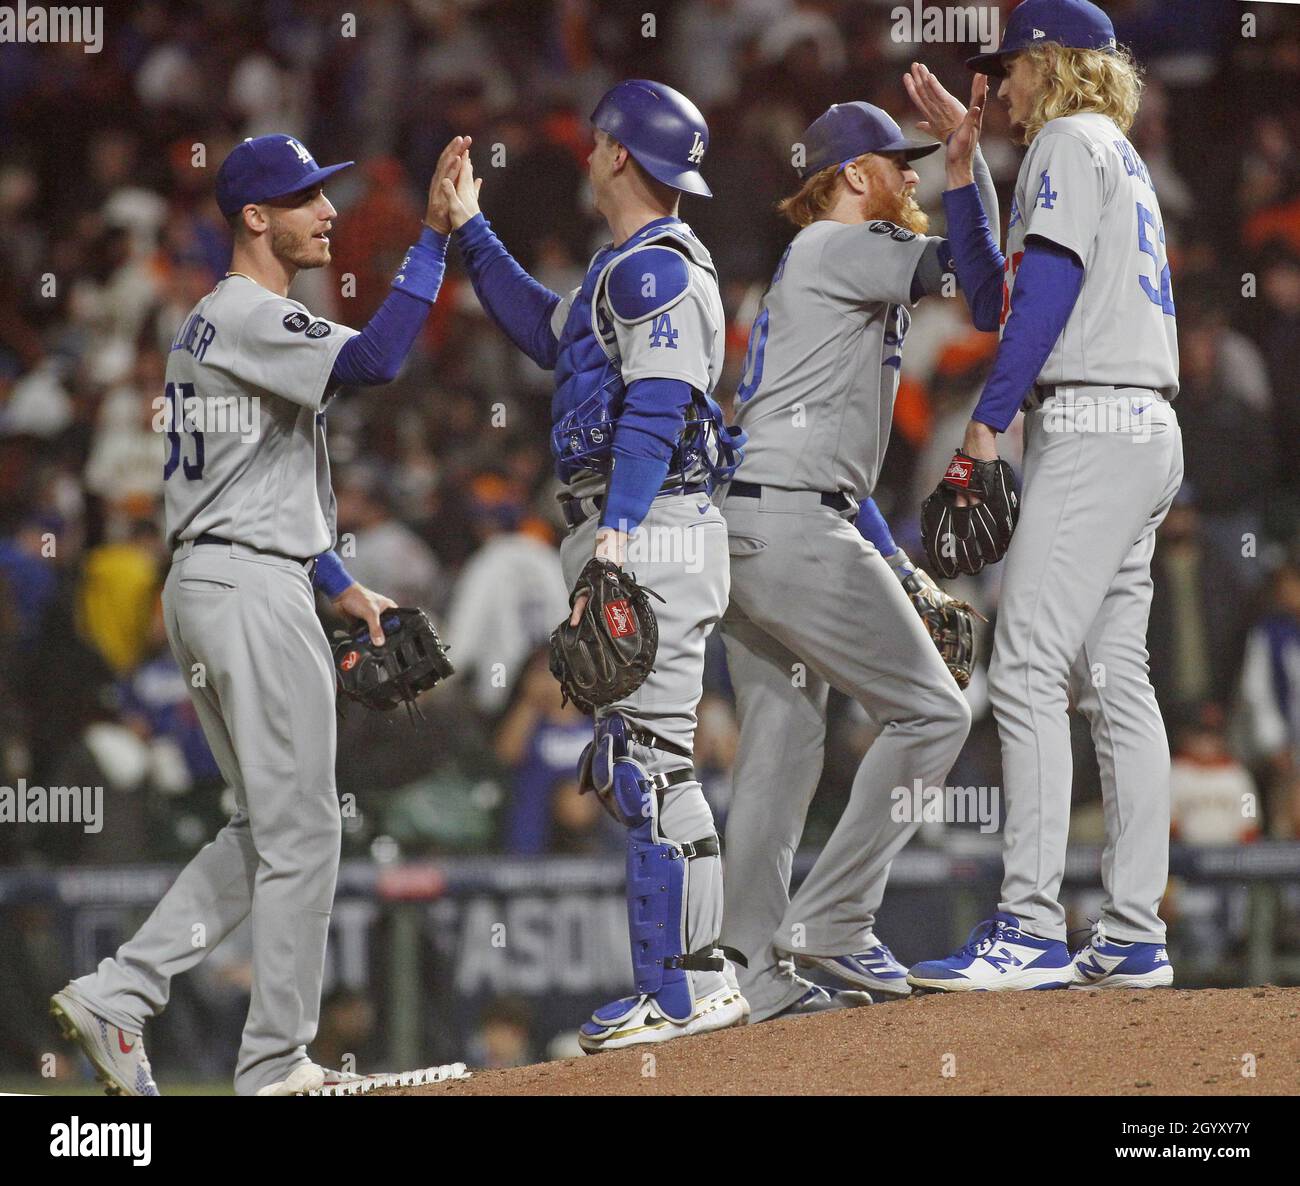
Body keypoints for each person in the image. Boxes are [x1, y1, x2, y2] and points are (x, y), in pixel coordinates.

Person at [51, 133, 466, 1095]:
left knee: (270, 830)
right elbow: (375, 362)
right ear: (255, 217)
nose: (328, 211)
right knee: (308, 832)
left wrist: (339, 584)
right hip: (243, 585)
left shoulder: (218, 321)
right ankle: (274, 1064)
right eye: (307, 199)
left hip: (225, 574)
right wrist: (434, 241)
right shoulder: (245, 312)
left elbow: (260, 480)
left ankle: (122, 993)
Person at [439, 80, 749, 1051]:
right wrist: (469, 232)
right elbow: (548, 332)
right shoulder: (625, 268)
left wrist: (614, 537)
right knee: (653, 763)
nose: (586, 156)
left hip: (645, 521)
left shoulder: (654, 270)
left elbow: (656, 409)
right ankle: (700, 977)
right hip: (639, 521)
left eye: (595, 144)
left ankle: (677, 991)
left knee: (646, 766)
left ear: (618, 154)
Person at [906, 0, 1182, 993]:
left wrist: (989, 418)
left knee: (1024, 662)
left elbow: (1050, 287)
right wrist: (960, 167)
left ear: (1051, 62)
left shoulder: (1067, 139)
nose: (1000, 85)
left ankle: (1028, 923)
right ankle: (1133, 929)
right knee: (1115, 678)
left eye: (1011, 67)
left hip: (1094, 422)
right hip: (1138, 426)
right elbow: (995, 297)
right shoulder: (1102, 151)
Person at [717, 96, 997, 1021]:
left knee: (780, 754)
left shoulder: (813, 263)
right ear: (848, 176)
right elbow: (970, 272)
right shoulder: (840, 247)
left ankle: (755, 977)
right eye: (895, 162)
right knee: (933, 712)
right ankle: (836, 920)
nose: (908, 175)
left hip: (763, 522)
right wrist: (968, 168)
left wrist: (902, 568)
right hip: (796, 523)